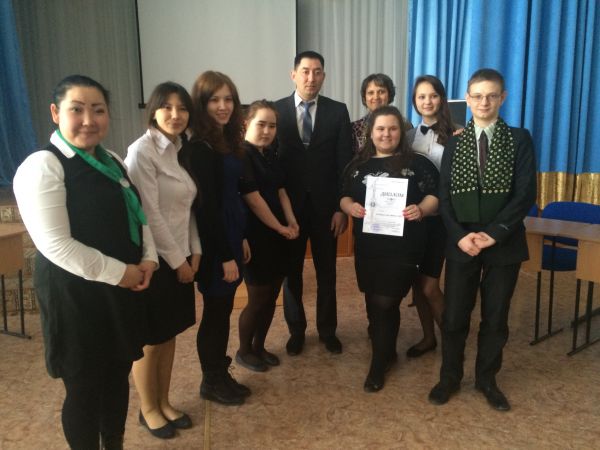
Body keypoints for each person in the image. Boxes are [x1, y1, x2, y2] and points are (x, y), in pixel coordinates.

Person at [13, 75, 158, 450]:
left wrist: (148, 258)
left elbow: (137, 214)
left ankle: (114, 443)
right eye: (77, 110)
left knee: (117, 375)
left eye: (98, 110)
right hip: (75, 297)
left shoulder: (111, 161)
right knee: (84, 387)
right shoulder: (43, 166)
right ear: (55, 113)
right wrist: (122, 273)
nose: (89, 120)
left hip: (120, 290)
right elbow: (55, 244)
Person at [428, 68, 536, 411]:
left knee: (496, 317)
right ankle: (449, 377)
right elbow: (444, 196)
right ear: (468, 99)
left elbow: (525, 194)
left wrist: (494, 233)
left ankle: (487, 379)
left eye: (491, 96)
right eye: (477, 96)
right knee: (454, 316)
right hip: (462, 242)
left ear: (502, 98)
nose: (484, 102)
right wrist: (460, 237)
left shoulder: (519, 139)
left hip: (504, 241)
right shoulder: (455, 142)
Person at [340, 105, 439, 392]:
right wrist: (350, 207)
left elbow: (435, 195)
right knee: (373, 299)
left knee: (386, 301)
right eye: (380, 128)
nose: (386, 134)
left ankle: (378, 363)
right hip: (369, 246)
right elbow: (343, 196)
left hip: (404, 246)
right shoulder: (357, 165)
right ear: (371, 133)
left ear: (401, 132)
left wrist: (421, 209)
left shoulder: (418, 163)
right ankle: (387, 351)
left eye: (393, 128)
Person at [125, 82, 200, 439]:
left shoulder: (179, 149)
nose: (175, 114)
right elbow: (150, 214)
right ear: (153, 111)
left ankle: (165, 402)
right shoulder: (142, 151)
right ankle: (148, 409)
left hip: (181, 253)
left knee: (169, 335)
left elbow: (186, 207)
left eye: (182, 108)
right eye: (167, 107)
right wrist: (177, 261)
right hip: (155, 260)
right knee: (150, 339)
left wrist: (195, 251)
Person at [274, 50, 353, 356]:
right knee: (291, 273)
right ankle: (296, 331)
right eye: (305, 71)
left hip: (326, 210)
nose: (311, 77)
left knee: (327, 273)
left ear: (324, 76)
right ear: (293, 75)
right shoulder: (276, 111)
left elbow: (344, 163)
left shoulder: (338, 111)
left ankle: (327, 330)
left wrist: (340, 208)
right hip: (289, 211)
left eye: (317, 72)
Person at [188, 71, 252, 406]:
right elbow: (207, 209)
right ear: (201, 104)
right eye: (215, 100)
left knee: (223, 309)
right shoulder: (200, 147)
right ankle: (210, 380)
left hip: (231, 233)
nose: (223, 106)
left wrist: (240, 238)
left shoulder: (225, 139)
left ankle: (219, 372)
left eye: (228, 99)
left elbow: (231, 195)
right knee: (215, 312)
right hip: (215, 242)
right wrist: (226, 254)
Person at [236, 100, 299, 372]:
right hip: (256, 236)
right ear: (246, 124)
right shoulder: (241, 155)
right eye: (260, 124)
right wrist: (280, 228)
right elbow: (254, 200)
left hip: (277, 236)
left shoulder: (270, 154)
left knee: (273, 294)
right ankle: (244, 351)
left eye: (272, 126)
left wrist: (291, 221)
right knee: (257, 298)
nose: (266, 131)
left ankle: (259, 346)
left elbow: (281, 191)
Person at [404, 75, 456, 357]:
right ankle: (428, 338)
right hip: (414, 220)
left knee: (429, 285)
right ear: (414, 101)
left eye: (433, 95)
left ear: (441, 99)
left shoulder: (457, 134)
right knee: (417, 284)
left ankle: (452, 344)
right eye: (421, 96)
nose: (427, 101)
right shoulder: (408, 137)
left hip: (441, 220)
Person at [351, 73, 396, 153]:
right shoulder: (354, 128)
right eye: (371, 93)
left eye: (381, 92)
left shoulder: (404, 125)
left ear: (389, 95)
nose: (376, 97)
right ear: (365, 97)